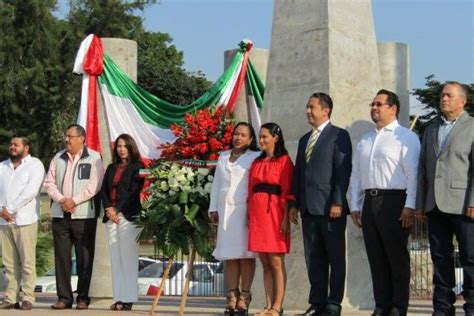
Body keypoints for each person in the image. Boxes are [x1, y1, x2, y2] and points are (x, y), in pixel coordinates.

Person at [350, 89, 420, 316]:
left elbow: (413, 174)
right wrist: (355, 204)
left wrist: (410, 205)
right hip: (370, 203)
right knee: (376, 257)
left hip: (394, 201)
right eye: (372, 104)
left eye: (379, 104)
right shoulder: (366, 139)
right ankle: (382, 306)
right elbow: (356, 175)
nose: (374, 108)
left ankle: (399, 307)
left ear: (393, 108)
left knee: (396, 258)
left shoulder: (406, 137)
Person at [289, 93, 352, 316]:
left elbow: (342, 171)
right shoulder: (305, 139)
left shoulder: (339, 135)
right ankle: (317, 302)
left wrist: (337, 201)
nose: (307, 110)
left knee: (335, 257)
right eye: (307, 106)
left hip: (330, 209)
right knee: (313, 258)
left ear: (325, 110)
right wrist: (295, 203)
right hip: (308, 208)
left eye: (311, 107)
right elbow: (298, 173)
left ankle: (334, 303)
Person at [415, 81, 473, 316]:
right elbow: (422, 168)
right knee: (440, 258)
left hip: (463, 205)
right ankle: (442, 308)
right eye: (442, 95)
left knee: (470, 258)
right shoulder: (431, 128)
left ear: (462, 101)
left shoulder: (472, 126)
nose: (443, 98)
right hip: (435, 204)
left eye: (449, 95)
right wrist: (420, 203)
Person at [44, 124, 104, 310]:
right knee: (62, 258)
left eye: (70, 136)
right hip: (60, 215)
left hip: (84, 216)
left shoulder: (94, 157)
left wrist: (74, 201)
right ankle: (64, 298)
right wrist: (63, 200)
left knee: (84, 258)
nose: (66, 139)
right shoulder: (58, 157)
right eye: (66, 136)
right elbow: (49, 183)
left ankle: (83, 298)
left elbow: (95, 185)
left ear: (81, 138)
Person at [208, 122, 260, 314]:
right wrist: (213, 208)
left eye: (243, 135)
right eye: (236, 134)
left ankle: (244, 296)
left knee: (245, 255)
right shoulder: (223, 157)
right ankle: (232, 295)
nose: (238, 138)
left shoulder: (255, 157)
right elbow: (217, 184)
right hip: (225, 212)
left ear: (251, 139)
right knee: (229, 255)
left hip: (244, 211)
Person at [248, 122, 294, 316]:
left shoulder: (284, 161)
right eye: (260, 137)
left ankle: (277, 305)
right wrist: (249, 213)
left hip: (275, 213)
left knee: (276, 261)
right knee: (265, 262)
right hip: (258, 215)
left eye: (265, 136)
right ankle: (267, 305)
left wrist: (285, 217)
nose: (261, 140)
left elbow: (288, 191)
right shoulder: (256, 162)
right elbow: (250, 189)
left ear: (275, 137)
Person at [100, 134, 145, 311]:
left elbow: (133, 192)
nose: (121, 149)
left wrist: (117, 209)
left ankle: (128, 298)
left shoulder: (137, 167)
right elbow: (103, 191)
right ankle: (118, 297)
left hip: (128, 216)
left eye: (125, 145)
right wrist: (108, 209)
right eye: (119, 145)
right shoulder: (111, 168)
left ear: (131, 147)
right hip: (110, 217)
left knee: (128, 258)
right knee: (115, 259)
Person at [0, 137, 45, 310]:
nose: (12, 147)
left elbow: (30, 192)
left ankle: (28, 297)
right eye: (11, 144)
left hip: (25, 220)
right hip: (3, 221)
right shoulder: (2, 166)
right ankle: (10, 297)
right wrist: (1, 209)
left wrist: (10, 209)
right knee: (9, 263)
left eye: (16, 145)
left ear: (26, 148)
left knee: (27, 261)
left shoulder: (35, 165)